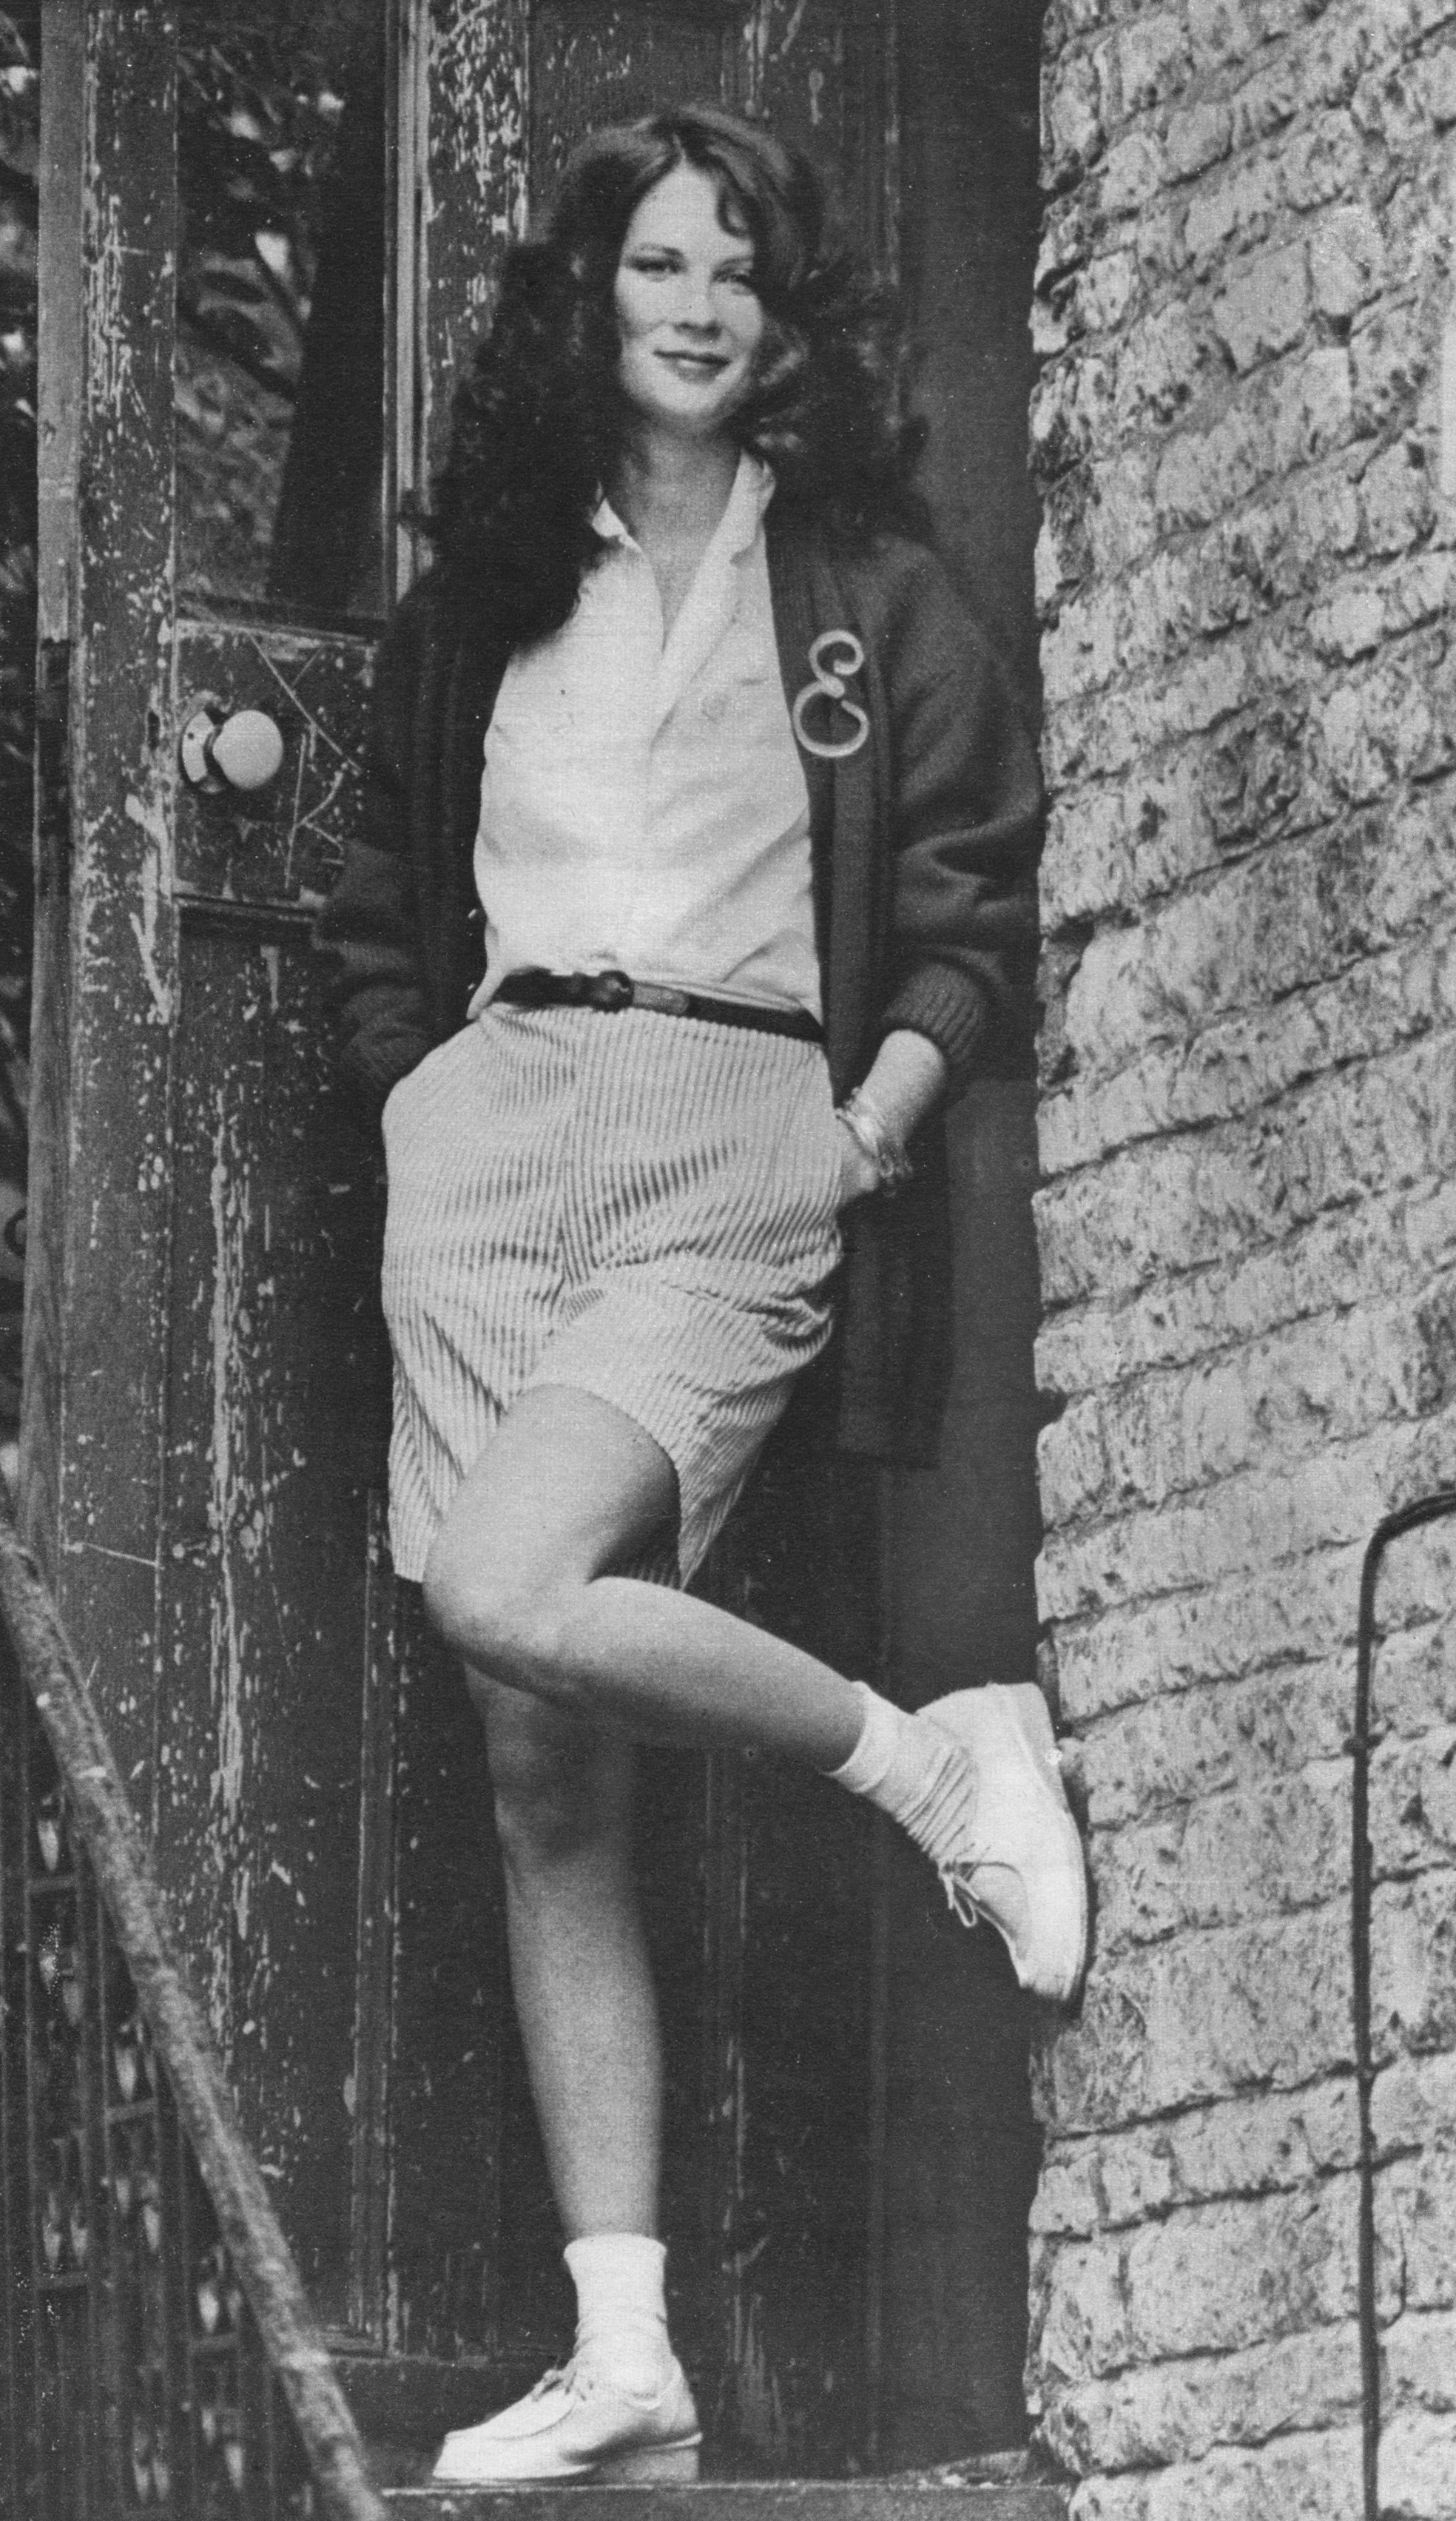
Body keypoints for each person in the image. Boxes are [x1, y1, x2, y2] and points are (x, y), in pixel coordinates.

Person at [316, 103, 1087, 2488]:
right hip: (492, 1137)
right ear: (592, 296)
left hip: (734, 1125)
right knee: (540, 1766)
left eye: (739, 268)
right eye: (659, 262)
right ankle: (630, 2357)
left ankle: (935, 1762)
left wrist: (871, 1123)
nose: (699, 303)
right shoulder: (489, 595)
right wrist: (417, 1092)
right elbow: (379, 885)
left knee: (507, 1580)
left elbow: (973, 894)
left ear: (786, 317)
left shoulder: (863, 589)